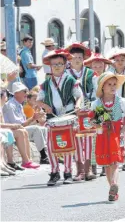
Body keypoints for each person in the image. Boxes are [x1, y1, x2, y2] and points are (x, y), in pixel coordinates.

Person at [36, 49, 83, 186]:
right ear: (50, 66)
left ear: (65, 65)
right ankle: (54, 172)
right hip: (52, 117)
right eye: (54, 64)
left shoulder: (70, 80)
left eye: (60, 64)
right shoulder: (45, 84)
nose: (57, 67)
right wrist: (45, 106)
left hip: (68, 115)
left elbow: (79, 95)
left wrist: (78, 105)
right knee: (50, 147)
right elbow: (38, 101)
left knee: (67, 146)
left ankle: (68, 172)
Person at [89, 72, 125, 201]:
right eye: (109, 84)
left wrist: (123, 130)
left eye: (115, 84)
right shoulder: (97, 104)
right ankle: (112, 188)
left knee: (115, 162)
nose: (113, 87)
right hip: (103, 135)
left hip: (116, 134)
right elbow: (93, 121)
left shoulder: (121, 101)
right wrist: (95, 124)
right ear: (102, 86)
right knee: (107, 164)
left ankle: (114, 184)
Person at [65, 42, 96, 181]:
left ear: (84, 58)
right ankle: (79, 169)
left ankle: (89, 168)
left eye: (79, 57)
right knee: (76, 138)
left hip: (88, 109)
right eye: (74, 57)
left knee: (88, 138)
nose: (77, 59)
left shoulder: (90, 73)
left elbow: (96, 91)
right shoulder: (65, 73)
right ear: (69, 59)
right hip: (72, 110)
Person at [2, 82, 48, 166]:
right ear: (16, 93)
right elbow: (18, 125)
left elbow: (23, 124)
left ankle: (45, 156)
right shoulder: (10, 105)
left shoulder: (19, 105)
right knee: (35, 129)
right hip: (11, 130)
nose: (26, 93)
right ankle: (41, 157)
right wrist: (34, 118)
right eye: (24, 91)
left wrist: (35, 119)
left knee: (43, 129)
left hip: (16, 129)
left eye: (26, 91)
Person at [84, 52, 113, 176]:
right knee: (94, 136)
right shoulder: (90, 78)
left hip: (106, 107)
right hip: (94, 108)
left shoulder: (109, 77)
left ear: (104, 65)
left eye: (99, 65)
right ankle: (94, 165)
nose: (97, 68)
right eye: (94, 66)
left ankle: (105, 165)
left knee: (105, 135)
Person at [0, 86, 37, 171]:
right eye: (5, 96)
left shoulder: (3, 107)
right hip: (5, 130)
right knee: (17, 132)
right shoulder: (8, 106)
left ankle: (25, 160)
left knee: (21, 131)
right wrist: (13, 126)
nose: (7, 98)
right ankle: (11, 161)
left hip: (5, 129)